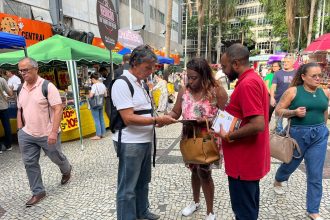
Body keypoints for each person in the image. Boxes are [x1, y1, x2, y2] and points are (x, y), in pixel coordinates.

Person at [111, 45, 175, 220]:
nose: (151, 71)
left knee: (143, 181)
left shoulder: (140, 84)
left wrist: (156, 121)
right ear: (134, 64)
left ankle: (142, 212)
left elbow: (144, 111)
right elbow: (128, 118)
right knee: (128, 186)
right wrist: (156, 120)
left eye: (152, 67)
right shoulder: (122, 84)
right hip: (130, 142)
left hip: (145, 140)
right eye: (147, 67)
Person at [167, 58, 228, 220]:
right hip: (189, 136)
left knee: (205, 173)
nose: (190, 81)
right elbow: (175, 113)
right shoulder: (183, 91)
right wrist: (163, 120)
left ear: (205, 76)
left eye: (194, 77)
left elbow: (227, 118)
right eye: (188, 76)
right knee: (194, 171)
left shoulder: (217, 91)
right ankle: (195, 202)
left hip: (208, 137)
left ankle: (210, 212)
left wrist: (207, 120)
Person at [218, 44, 270, 220]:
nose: (223, 71)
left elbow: (258, 124)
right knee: (248, 208)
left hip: (244, 162)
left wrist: (229, 135)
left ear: (236, 63)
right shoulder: (252, 80)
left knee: (244, 212)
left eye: (224, 66)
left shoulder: (248, 84)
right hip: (246, 160)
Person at [273, 63, 329, 220]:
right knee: (291, 163)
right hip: (298, 135)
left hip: (319, 135)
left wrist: (323, 129)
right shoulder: (293, 91)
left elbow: (324, 111)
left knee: (315, 173)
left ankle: (313, 210)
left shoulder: (324, 92)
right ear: (303, 77)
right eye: (314, 76)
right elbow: (278, 111)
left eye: (320, 75)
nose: (318, 78)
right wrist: (294, 112)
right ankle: (279, 178)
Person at [16, 57, 72, 207]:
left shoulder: (47, 86)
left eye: (25, 70)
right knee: (29, 162)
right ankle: (38, 191)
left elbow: (58, 108)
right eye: (20, 70)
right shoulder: (20, 88)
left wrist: (53, 132)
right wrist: (20, 129)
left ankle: (66, 169)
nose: (23, 73)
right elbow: (20, 108)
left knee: (56, 157)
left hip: (47, 133)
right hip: (27, 134)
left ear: (36, 69)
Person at [270, 54, 296, 131]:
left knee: (292, 123)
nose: (285, 63)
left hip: (293, 102)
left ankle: (287, 137)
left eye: (288, 61)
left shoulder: (297, 73)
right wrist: (272, 98)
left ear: (293, 62)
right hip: (279, 102)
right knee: (278, 124)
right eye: (284, 62)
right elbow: (273, 86)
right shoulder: (277, 73)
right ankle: (279, 139)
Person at [89, 72, 107, 140]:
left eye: (91, 80)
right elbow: (105, 95)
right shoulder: (103, 85)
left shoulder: (94, 85)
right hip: (101, 103)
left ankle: (98, 135)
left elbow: (91, 95)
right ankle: (103, 133)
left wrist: (89, 94)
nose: (91, 81)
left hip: (95, 104)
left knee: (96, 119)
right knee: (101, 118)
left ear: (93, 79)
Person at [0, 75, 13, 154]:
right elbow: (10, 93)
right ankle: (8, 145)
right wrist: (11, 88)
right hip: (3, 107)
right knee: (7, 126)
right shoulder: (2, 80)